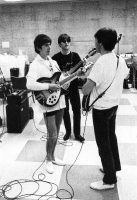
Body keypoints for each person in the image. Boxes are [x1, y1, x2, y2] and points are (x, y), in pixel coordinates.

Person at [82, 27, 129, 190]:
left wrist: (88, 76)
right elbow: (125, 75)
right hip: (114, 106)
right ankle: (114, 167)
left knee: (104, 144)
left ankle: (109, 180)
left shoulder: (100, 62)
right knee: (111, 138)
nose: (94, 43)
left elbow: (87, 89)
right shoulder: (119, 59)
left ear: (100, 43)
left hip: (101, 109)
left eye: (95, 40)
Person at [26, 34, 67, 174]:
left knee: (57, 130)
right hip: (47, 102)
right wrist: (48, 86)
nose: (49, 47)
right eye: (46, 45)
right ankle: (48, 160)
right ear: (38, 47)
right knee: (52, 133)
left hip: (59, 99)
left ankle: (53, 156)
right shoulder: (34, 65)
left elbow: (60, 79)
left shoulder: (53, 61)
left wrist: (74, 76)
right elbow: (29, 84)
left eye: (50, 44)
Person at [52, 33, 85, 143]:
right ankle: (67, 132)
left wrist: (82, 72)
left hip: (74, 87)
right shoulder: (55, 58)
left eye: (68, 41)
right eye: (64, 41)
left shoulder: (75, 56)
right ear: (59, 44)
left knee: (77, 110)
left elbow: (81, 72)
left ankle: (77, 134)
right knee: (65, 111)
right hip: (62, 89)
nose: (67, 43)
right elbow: (52, 74)